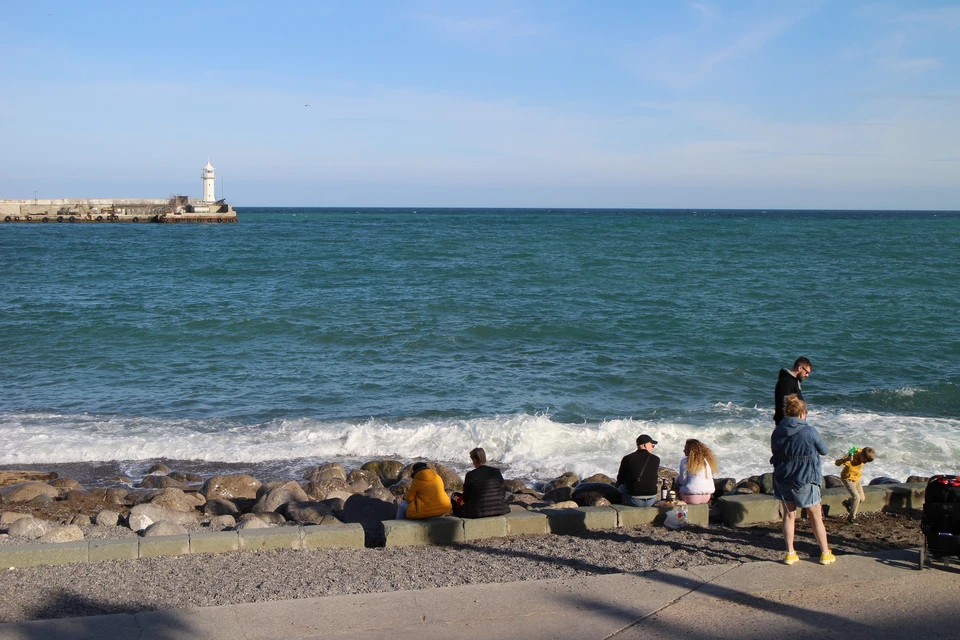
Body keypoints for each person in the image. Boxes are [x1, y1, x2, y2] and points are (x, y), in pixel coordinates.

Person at [771, 394, 835, 565]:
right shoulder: (809, 431)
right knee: (815, 516)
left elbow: (775, 452)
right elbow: (824, 450)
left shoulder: (778, 431)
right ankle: (825, 552)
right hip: (805, 478)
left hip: (783, 477)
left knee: (789, 515)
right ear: (802, 414)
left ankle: (790, 553)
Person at [456, 447, 510, 519]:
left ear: (474, 461)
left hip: (477, 512)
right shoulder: (496, 471)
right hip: (500, 509)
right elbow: (502, 491)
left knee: (454, 496)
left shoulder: (470, 475)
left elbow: (466, 498)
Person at [616, 434, 660, 507]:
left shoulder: (627, 458)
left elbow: (620, 479)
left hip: (634, 501)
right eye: (652, 445)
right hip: (651, 499)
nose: (653, 448)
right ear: (645, 445)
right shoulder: (656, 459)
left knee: (621, 487)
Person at [835, 446, 876, 524]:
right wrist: (845, 459)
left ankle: (847, 503)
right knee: (856, 497)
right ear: (861, 455)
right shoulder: (851, 458)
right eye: (865, 461)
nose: (864, 463)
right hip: (847, 478)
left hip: (857, 479)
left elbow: (856, 448)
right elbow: (837, 463)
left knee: (862, 499)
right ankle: (851, 518)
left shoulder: (862, 452)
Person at [676, 439, 717, 504]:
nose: (683, 451)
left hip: (692, 497)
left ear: (690, 451)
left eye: (685, 449)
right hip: (706, 497)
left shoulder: (685, 461)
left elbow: (682, 481)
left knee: (678, 484)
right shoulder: (706, 461)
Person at [774, 356, 812, 424]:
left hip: (793, 425)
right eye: (806, 372)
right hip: (788, 426)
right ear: (800, 368)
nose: (807, 375)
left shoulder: (793, 381)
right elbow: (785, 407)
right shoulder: (786, 382)